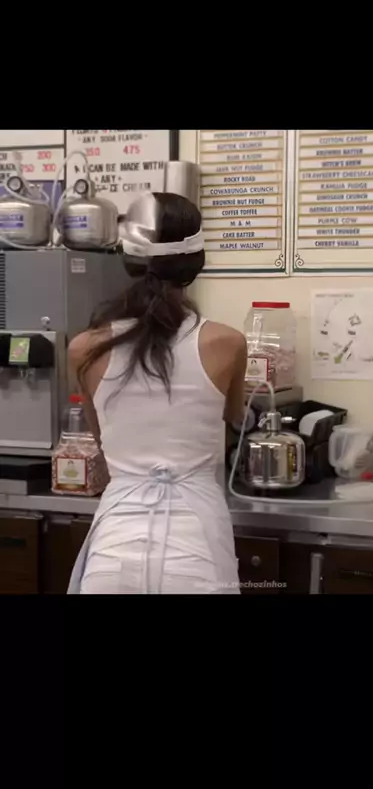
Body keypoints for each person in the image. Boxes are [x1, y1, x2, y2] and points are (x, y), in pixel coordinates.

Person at [67, 191, 246, 594]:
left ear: (128, 259)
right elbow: (233, 421)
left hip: (112, 555)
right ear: (195, 264)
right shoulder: (227, 343)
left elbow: (103, 439)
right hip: (196, 554)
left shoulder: (84, 348)